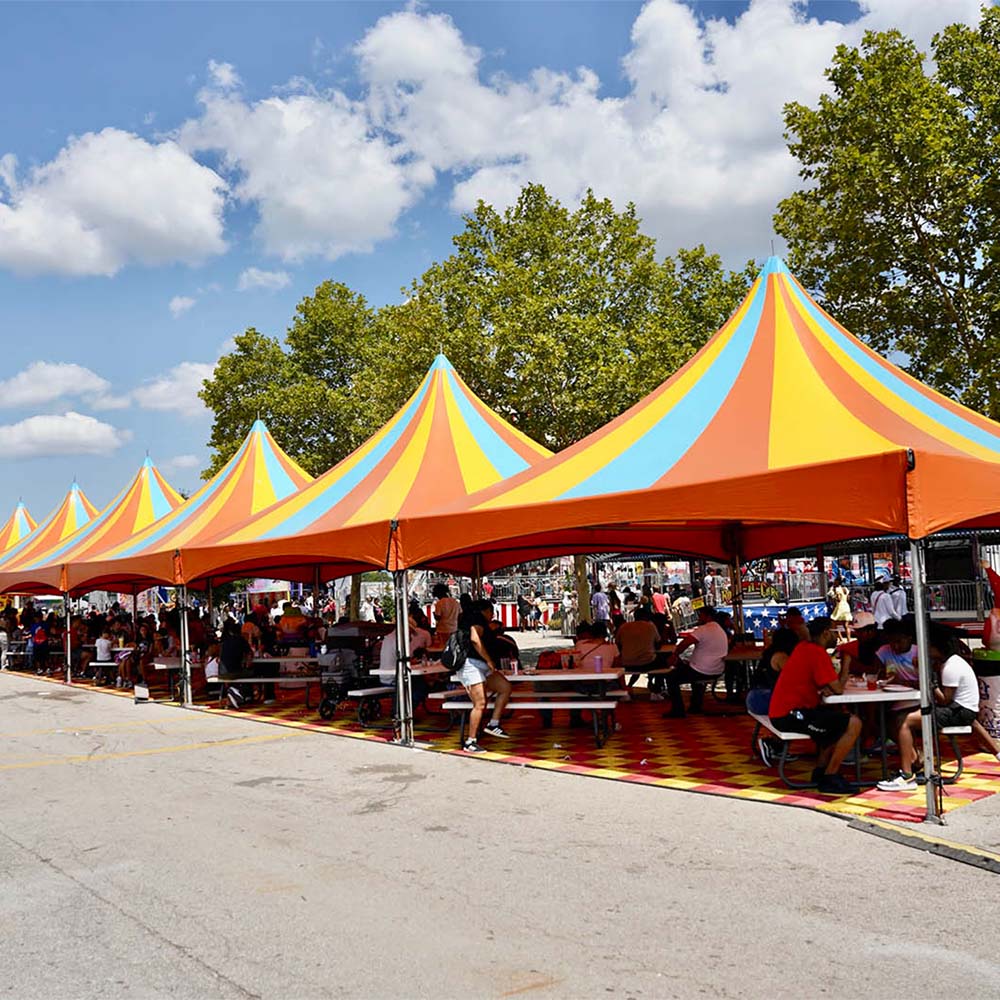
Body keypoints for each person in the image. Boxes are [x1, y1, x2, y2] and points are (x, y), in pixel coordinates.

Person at [878, 628, 981, 791]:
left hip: (959, 712)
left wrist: (929, 680)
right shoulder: (950, 662)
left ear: (938, 649)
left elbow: (944, 699)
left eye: (929, 648)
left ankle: (906, 775)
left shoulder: (951, 667)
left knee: (904, 722)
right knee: (898, 718)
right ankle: (914, 761)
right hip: (959, 709)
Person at [767, 617, 861, 794]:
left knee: (836, 721)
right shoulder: (817, 653)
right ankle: (830, 776)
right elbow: (839, 689)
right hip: (789, 714)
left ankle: (821, 771)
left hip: (786, 711)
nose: (838, 636)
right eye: (835, 632)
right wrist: (847, 664)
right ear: (826, 633)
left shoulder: (803, 648)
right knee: (853, 723)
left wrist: (822, 688)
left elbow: (817, 681)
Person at [457, 598, 513, 752]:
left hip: (482, 665)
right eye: (491, 612)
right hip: (472, 664)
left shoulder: (475, 620)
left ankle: (493, 723)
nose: (492, 616)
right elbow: (475, 639)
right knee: (480, 703)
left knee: (505, 687)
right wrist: (489, 660)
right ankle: (470, 741)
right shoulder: (476, 619)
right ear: (486, 611)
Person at [663, 606, 729, 718]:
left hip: (702, 669)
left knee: (671, 677)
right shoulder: (719, 629)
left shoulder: (704, 629)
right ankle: (695, 705)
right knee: (692, 670)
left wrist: (675, 654)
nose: (699, 618)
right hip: (717, 668)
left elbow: (685, 643)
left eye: (701, 615)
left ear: (707, 616)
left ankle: (678, 709)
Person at [749, 628, 800, 765]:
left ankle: (776, 746)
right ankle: (774, 745)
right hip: (764, 697)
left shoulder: (770, 653)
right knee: (797, 710)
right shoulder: (782, 657)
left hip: (756, 696)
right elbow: (796, 678)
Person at [616, 606, 661, 694]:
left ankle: (626, 688)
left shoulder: (624, 627)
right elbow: (658, 643)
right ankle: (656, 690)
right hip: (647, 662)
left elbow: (618, 644)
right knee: (663, 665)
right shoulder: (650, 626)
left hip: (626, 663)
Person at [219, 620, 253, 709]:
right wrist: (247, 663)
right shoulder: (241, 640)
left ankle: (233, 694)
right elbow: (250, 654)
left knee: (232, 676)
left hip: (221, 672)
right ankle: (243, 694)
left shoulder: (225, 641)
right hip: (235, 672)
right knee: (250, 674)